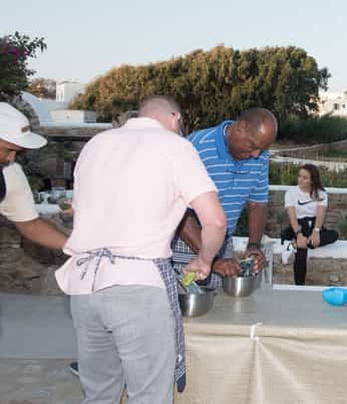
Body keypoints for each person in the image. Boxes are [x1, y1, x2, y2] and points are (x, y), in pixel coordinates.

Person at [55, 95, 227, 403]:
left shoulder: (96, 145)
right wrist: (204, 259)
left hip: (84, 288)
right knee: (149, 396)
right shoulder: (175, 146)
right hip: (137, 288)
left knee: (98, 395)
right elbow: (214, 221)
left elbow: (79, 213)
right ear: (175, 119)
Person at [172, 108, 277, 288]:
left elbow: (257, 204)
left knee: (222, 307)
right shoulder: (196, 147)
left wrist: (253, 246)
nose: (256, 155)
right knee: (186, 301)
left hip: (222, 244)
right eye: (253, 146)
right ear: (240, 128)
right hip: (186, 243)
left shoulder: (260, 157)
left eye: (262, 149)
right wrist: (211, 260)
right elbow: (179, 211)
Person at [0, 102, 67, 251]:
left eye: (17, 152)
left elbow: (31, 226)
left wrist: (75, 248)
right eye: (8, 149)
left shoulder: (9, 173)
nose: (11, 159)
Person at [280, 163, 338, 285]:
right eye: (299, 176)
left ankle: (293, 245)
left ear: (312, 180)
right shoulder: (291, 193)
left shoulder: (321, 193)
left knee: (334, 235)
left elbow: (320, 214)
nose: (300, 180)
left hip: (314, 225)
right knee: (303, 246)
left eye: (305, 178)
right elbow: (292, 216)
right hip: (298, 226)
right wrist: (299, 234)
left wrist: (316, 232)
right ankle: (299, 286)